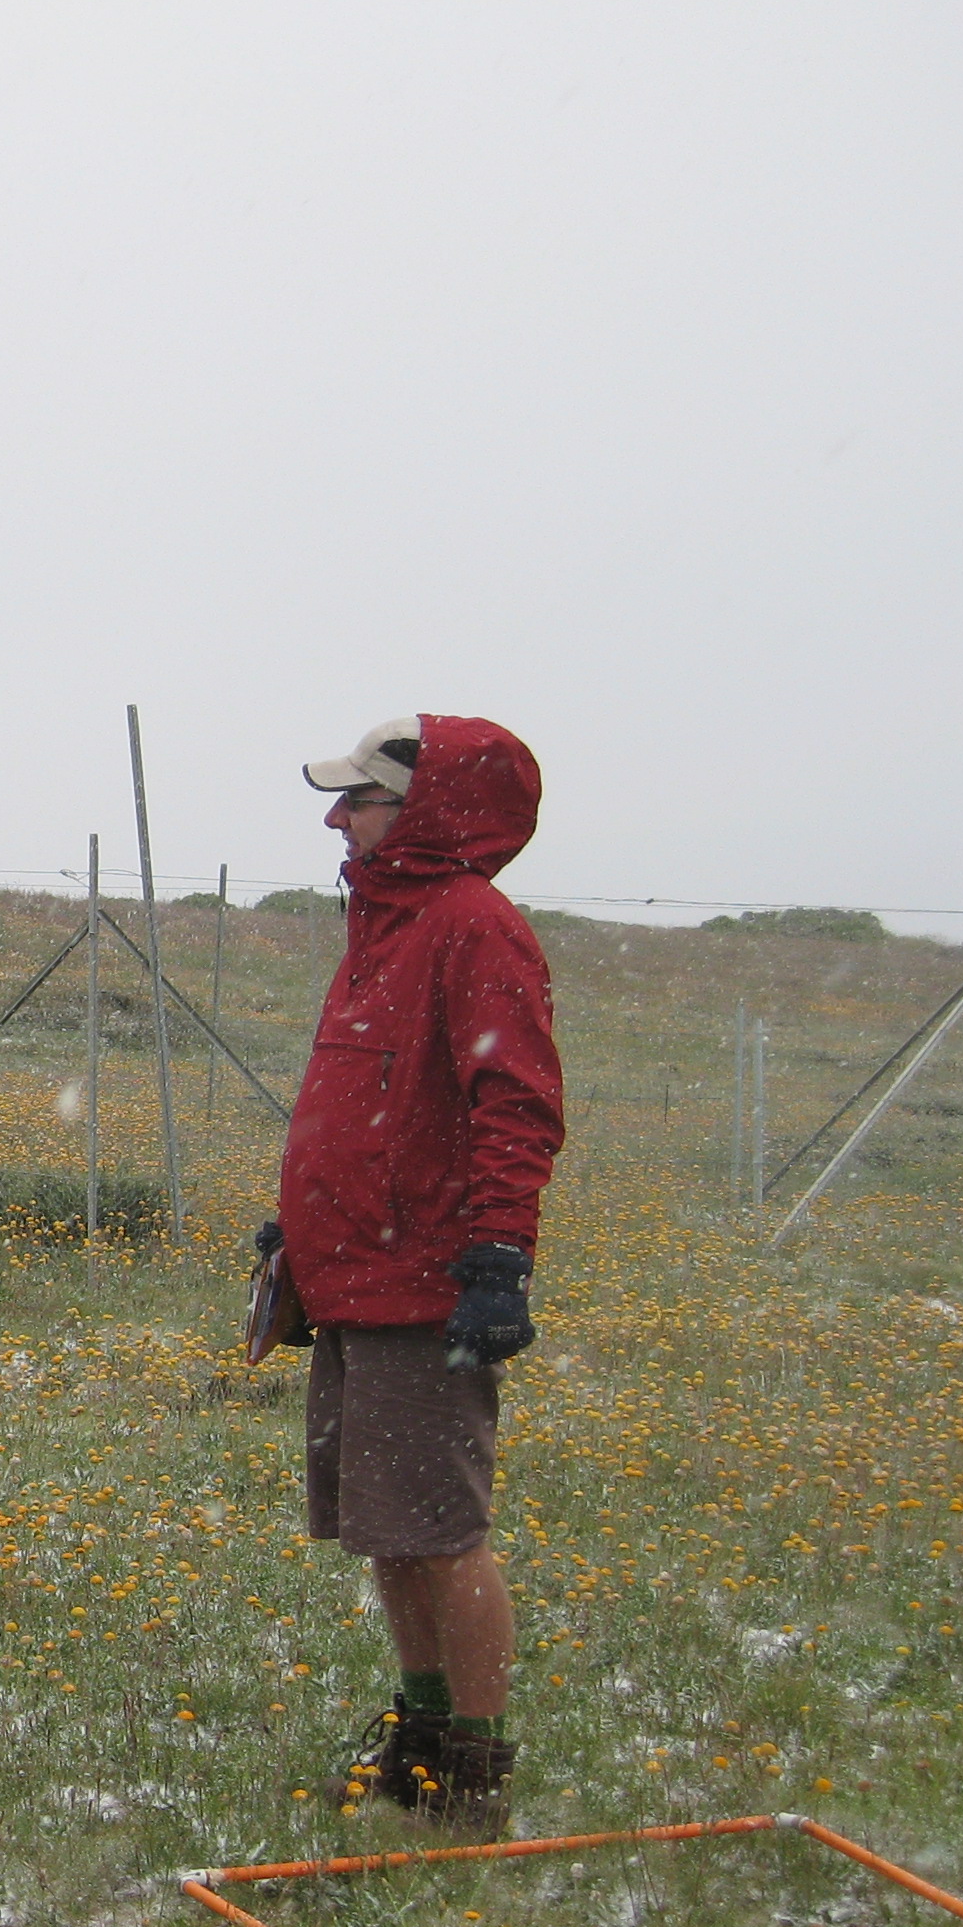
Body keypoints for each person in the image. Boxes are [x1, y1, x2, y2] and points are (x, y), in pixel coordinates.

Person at [265, 716, 563, 1834]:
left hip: (422, 1287)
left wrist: (496, 1260)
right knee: (386, 1530)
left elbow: (515, 1104)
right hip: (351, 1280)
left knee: (442, 1533)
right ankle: (424, 1730)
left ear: (427, 810)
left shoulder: (475, 929)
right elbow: (369, 1106)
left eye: (362, 800)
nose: (338, 820)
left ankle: (475, 1771)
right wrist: (297, 1226)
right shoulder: (383, 927)